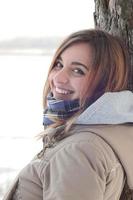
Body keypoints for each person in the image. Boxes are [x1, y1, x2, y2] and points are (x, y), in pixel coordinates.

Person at [3, 29, 133, 200]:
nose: (59, 78)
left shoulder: (78, 151)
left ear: (105, 81)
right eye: (58, 64)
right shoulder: (111, 132)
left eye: (78, 71)